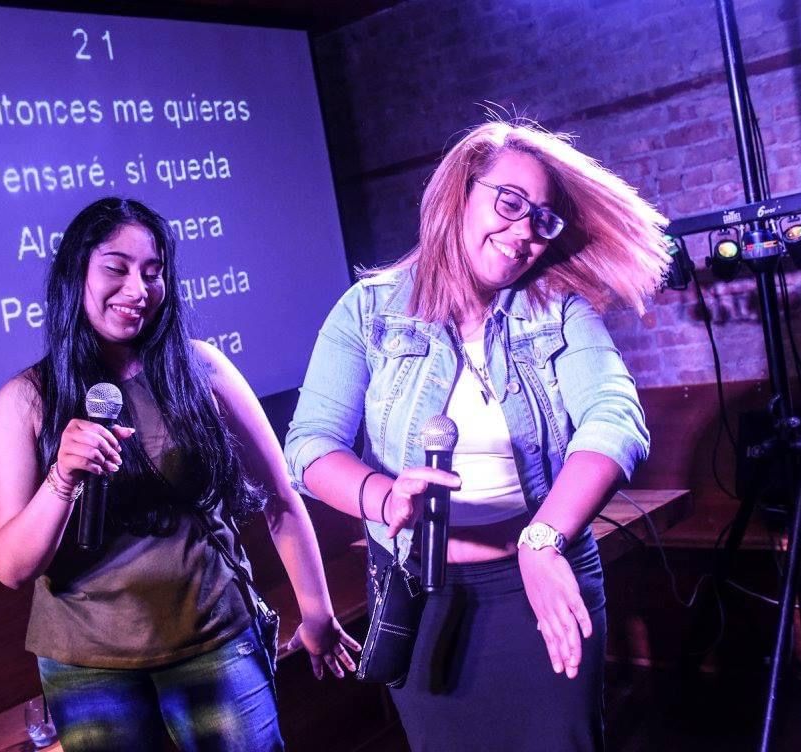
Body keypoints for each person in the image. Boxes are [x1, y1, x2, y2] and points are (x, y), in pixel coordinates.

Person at [285, 120, 669, 751]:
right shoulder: (367, 311)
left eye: (542, 220)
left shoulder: (558, 310)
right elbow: (309, 447)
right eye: (510, 202)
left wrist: (543, 542)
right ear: (458, 193)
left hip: (542, 586)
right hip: (420, 591)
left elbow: (615, 418)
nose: (523, 231)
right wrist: (384, 498)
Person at [0, 197, 359, 752]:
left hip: (213, 641)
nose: (138, 289)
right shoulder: (26, 400)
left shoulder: (201, 367)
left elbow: (280, 500)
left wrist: (318, 616)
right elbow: (12, 568)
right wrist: (61, 479)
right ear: (75, 273)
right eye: (117, 268)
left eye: (153, 273)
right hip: (87, 667)